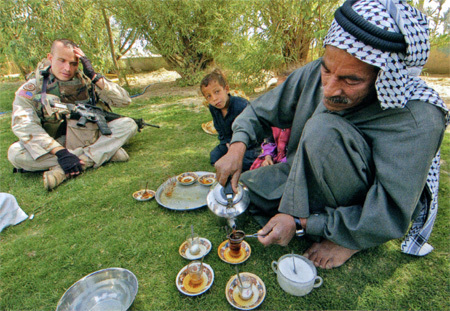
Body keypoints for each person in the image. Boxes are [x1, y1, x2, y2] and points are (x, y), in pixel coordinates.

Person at [215, 0, 448, 269]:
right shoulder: (321, 71)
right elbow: (258, 112)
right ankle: (303, 211)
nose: (328, 89)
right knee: (247, 191)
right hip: (302, 172)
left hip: (362, 205)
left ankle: (349, 238)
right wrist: (237, 148)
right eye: (327, 70)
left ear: (384, 77)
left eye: (351, 80)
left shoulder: (418, 119)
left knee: (321, 129)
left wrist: (302, 222)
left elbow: (389, 213)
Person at [8, 39, 138, 190]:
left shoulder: (86, 81)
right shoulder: (32, 87)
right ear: (50, 58)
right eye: (61, 61)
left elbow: (124, 101)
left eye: (73, 63)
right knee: (15, 153)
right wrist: (61, 152)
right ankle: (105, 154)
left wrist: (96, 77)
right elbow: (25, 125)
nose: (67, 68)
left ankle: (66, 169)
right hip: (56, 143)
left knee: (128, 124)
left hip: (89, 135)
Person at [200, 68, 259, 171]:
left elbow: (253, 132)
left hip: (247, 146)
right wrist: (227, 144)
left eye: (217, 92)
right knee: (214, 156)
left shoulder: (242, 106)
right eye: (209, 96)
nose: (214, 98)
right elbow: (220, 131)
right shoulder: (214, 108)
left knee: (244, 163)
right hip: (228, 143)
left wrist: (234, 148)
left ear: (226, 89)